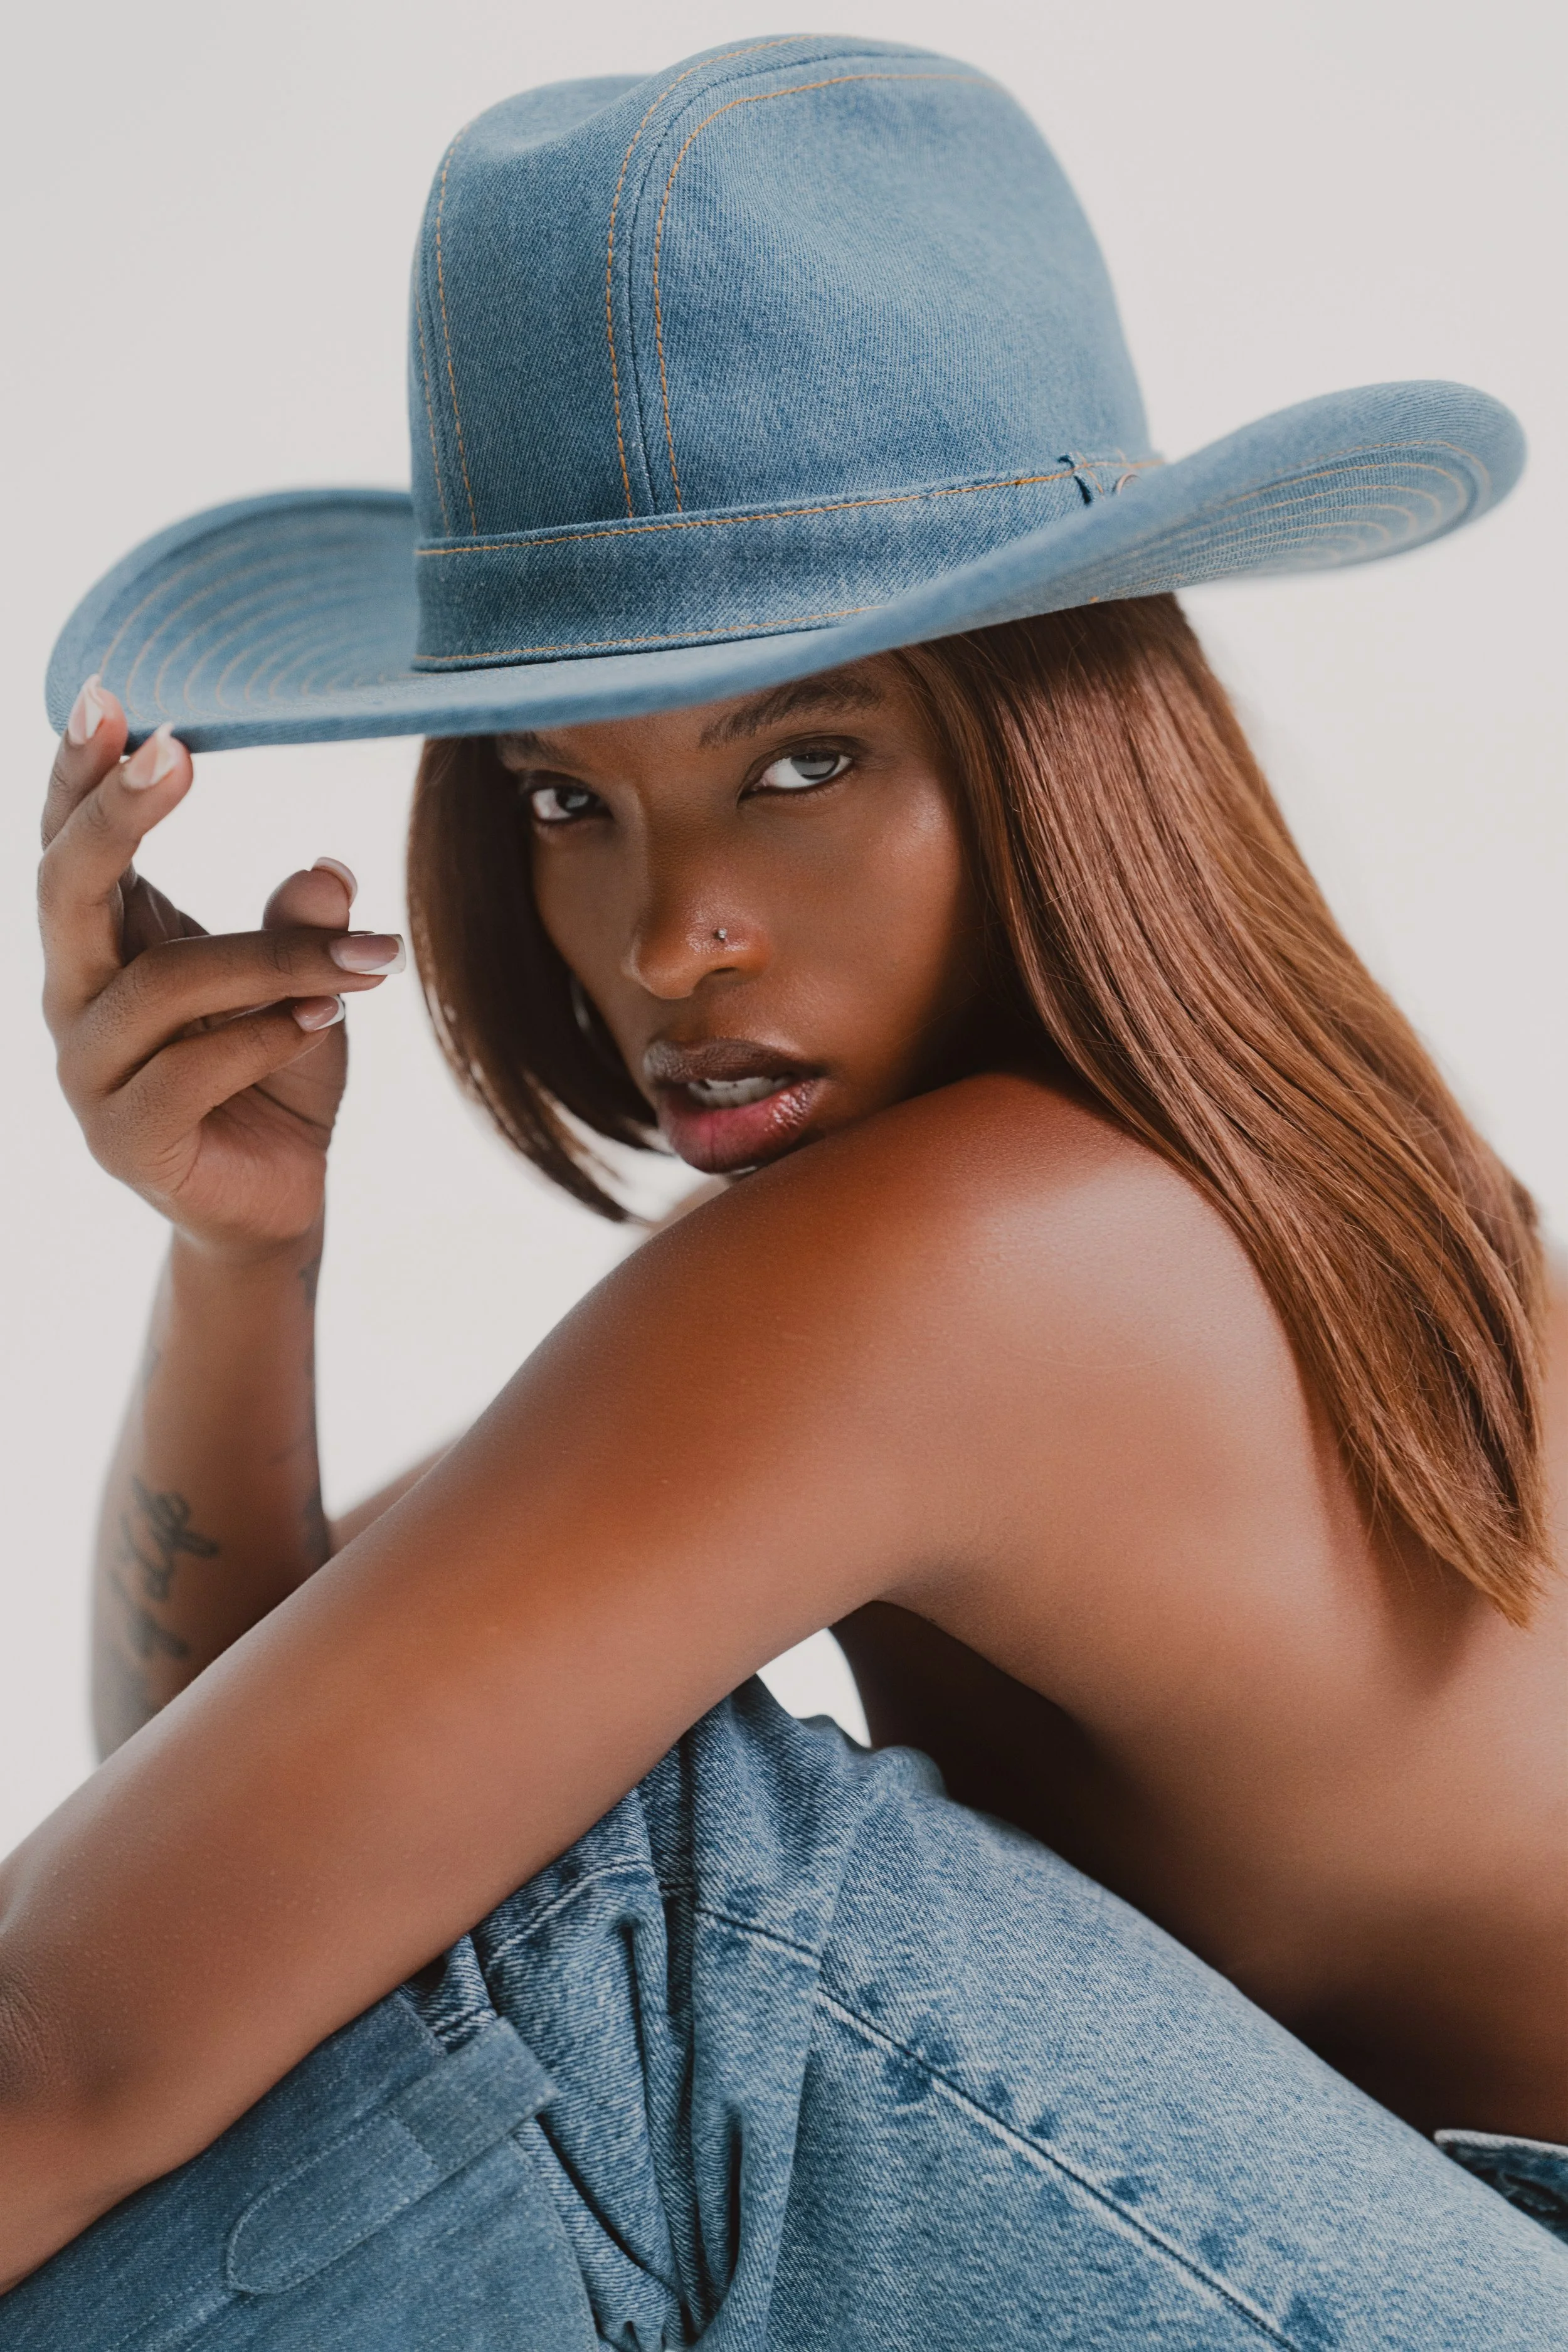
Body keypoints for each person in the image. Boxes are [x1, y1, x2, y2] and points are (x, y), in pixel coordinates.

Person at [3, 33, 1564, 2346]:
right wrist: (244, 1260)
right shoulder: (1155, 1208)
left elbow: (94, 2035)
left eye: (804, 759)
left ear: (1058, 746)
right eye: (564, 799)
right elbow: (276, 1869)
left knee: (668, 1903)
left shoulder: (977, 1262)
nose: (665, 939)